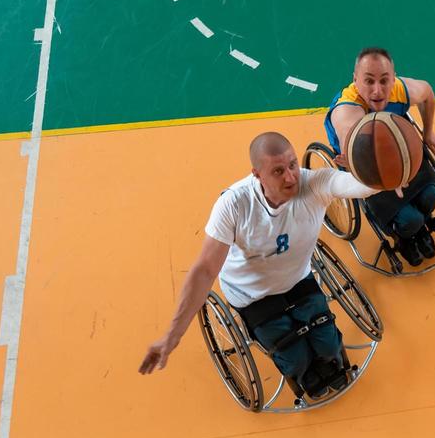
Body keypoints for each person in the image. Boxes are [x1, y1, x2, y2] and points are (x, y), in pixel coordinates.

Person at [139, 131, 378, 397]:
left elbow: (365, 186)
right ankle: (300, 370)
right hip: (252, 295)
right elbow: (205, 270)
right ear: (257, 174)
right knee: (297, 360)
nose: (290, 177)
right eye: (278, 171)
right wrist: (173, 336)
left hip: (297, 279)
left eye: (292, 164)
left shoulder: (315, 184)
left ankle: (322, 358)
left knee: (329, 348)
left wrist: (380, 169)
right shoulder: (233, 204)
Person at [324, 47, 435, 265]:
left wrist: (428, 132)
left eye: (384, 80)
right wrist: (391, 180)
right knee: (410, 219)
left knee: (430, 195)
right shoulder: (347, 112)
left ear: (393, 78)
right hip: (366, 167)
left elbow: (427, 93)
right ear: (355, 80)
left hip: (399, 153)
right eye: (369, 81)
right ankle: (404, 236)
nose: (377, 90)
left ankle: (421, 226)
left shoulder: (400, 89)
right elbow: (355, 156)